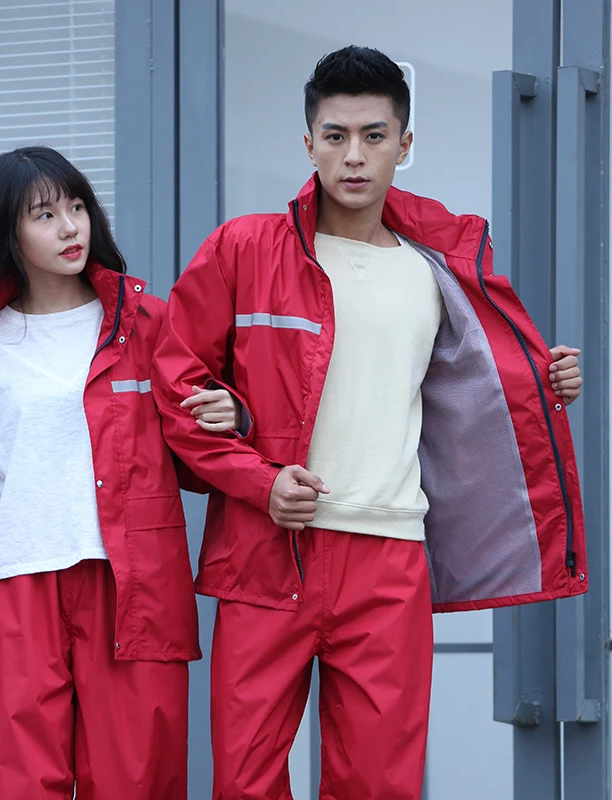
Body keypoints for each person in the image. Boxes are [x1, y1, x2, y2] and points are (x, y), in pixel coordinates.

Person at [152, 46, 586, 800]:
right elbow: (176, 385)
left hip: (390, 556)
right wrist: (257, 481)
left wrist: (547, 385)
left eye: (374, 136)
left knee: (381, 785)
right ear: (309, 143)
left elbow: (477, 393)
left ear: (404, 144)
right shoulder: (243, 249)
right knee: (245, 783)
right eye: (336, 135)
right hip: (265, 552)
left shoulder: (440, 267)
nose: (354, 155)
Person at [0, 146, 242, 800]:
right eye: (45, 215)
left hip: (131, 582)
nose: (70, 227)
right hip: (16, 579)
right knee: (24, 783)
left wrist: (235, 414)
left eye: (77, 206)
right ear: (9, 232)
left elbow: (200, 446)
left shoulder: (146, 322)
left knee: (137, 779)